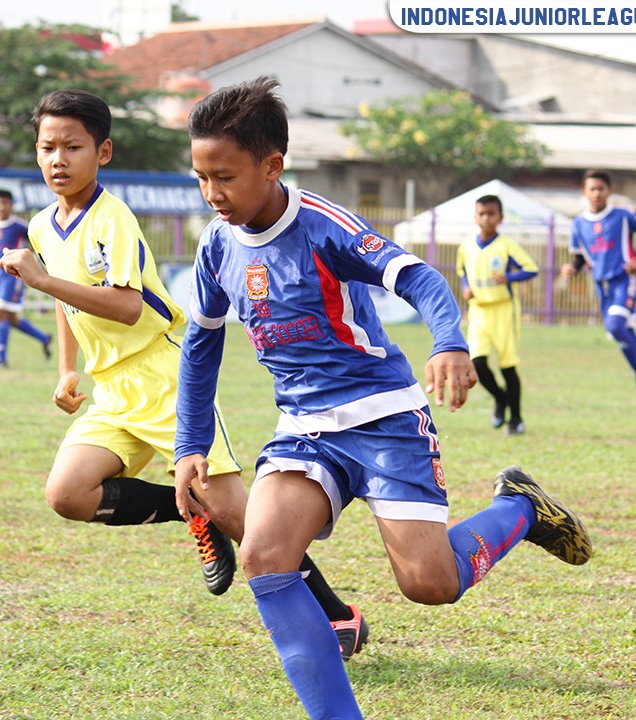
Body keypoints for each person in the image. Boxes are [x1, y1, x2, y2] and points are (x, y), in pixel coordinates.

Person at [174, 77, 593, 718]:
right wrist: (189, 445)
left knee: (429, 584)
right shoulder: (215, 246)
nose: (212, 194)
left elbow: (418, 277)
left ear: (272, 165)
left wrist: (449, 341)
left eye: (224, 177)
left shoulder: (323, 227)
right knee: (264, 555)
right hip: (304, 428)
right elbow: (200, 345)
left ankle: (520, 510)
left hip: (385, 418)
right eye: (202, 177)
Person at [0, 88, 368, 658]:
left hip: (164, 379)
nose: (58, 160)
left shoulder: (110, 218)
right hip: (112, 390)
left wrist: (40, 281)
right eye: (48, 147)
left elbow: (125, 305)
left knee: (245, 519)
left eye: (73, 146)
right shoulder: (43, 226)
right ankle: (192, 513)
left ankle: (339, 615)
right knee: (68, 493)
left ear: (104, 152)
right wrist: (68, 370)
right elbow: (67, 303)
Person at [561, 169, 636, 411]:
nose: (597, 193)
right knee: (625, 337)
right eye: (592, 189)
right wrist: (573, 268)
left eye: (601, 188)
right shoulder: (579, 223)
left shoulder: (622, 216)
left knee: (615, 327)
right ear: (584, 192)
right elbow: (579, 256)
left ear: (608, 191)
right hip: (602, 286)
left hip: (625, 280)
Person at [455, 195, 538, 435]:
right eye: (482, 214)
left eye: (491, 213)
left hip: (504, 310)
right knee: (477, 362)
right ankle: (500, 399)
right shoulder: (466, 247)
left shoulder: (506, 245)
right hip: (479, 310)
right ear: (475, 217)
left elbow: (531, 269)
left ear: (500, 217)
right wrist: (465, 287)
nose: (486, 218)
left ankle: (516, 419)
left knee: (507, 367)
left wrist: (509, 277)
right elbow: (463, 273)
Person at [0, 189, 52, 368]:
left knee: (0, 313)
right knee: (11, 319)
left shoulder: (19, 226)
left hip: (12, 276)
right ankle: (44, 338)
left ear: (11, 206)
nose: (1, 207)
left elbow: (37, 241)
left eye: (5, 203)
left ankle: (1, 359)